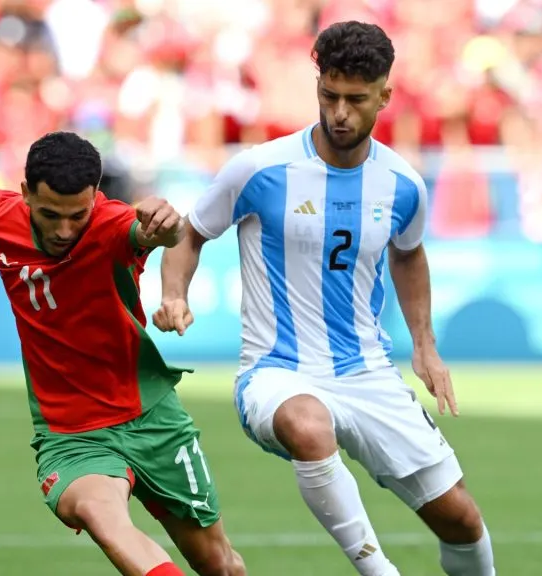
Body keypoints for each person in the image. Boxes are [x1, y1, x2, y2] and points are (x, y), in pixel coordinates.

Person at [154, 21, 496, 576]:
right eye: (329, 95)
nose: (339, 112)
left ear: (384, 95)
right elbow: (189, 232)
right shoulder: (259, 169)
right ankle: (378, 570)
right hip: (276, 371)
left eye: (356, 100)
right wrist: (175, 294)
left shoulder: (403, 184)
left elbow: (408, 254)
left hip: (368, 372)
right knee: (309, 426)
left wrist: (425, 347)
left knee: (461, 520)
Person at [0, 131, 245, 576]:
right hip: (71, 435)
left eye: (77, 216)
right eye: (49, 215)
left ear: (95, 198)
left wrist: (168, 226)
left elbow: (160, 233)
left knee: (220, 565)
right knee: (106, 519)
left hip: (153, 417)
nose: (64, 230)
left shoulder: (112, 225)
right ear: (24, 194)